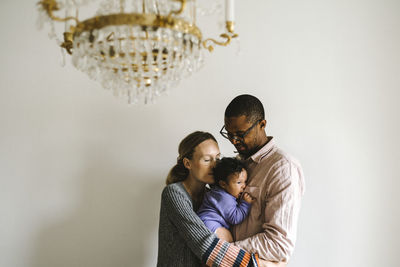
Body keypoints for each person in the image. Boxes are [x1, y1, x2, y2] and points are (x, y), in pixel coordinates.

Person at [220, 94, 305, 266]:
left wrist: (223, 252)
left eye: (240, 134)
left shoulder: (283, 169)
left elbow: (279, 244)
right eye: (229, 134)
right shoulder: (236, 164)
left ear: (262, 124)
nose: (234, 141)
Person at [157, 131, 260, 267]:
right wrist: (257, 264)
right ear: (188, 163)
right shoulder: (174, 193)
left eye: (217, 158)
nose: (214, 165)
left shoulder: (211, 195)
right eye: (207, 160)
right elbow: (203, 241)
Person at [197, 157, 255, 243]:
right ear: (223, 184)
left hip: (206, 222)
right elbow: (235, 218)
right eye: (239, 182)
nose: (244, 186)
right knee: (229, 243)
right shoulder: (224, 198)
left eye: (245, 181)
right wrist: (245, 204)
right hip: (210, 223)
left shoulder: (218, 192)